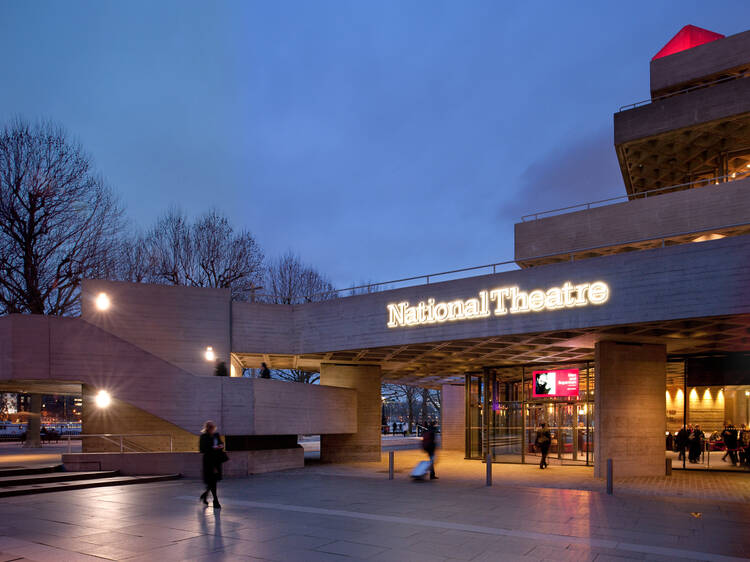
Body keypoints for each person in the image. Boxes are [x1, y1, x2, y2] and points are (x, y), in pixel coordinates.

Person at [199, 420, 226, 509]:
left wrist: (220, 446)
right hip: (209, 461)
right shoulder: (203, 437)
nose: (211, 429)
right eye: (209, 427)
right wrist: (212, 448)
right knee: (212, 481)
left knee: (212, 481)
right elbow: (202, 449)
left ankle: (205, 496)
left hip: (216, 460)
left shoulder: (216, 435)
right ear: (207, 428)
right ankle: (215, 501)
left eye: (212, 427)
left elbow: (221, 443)